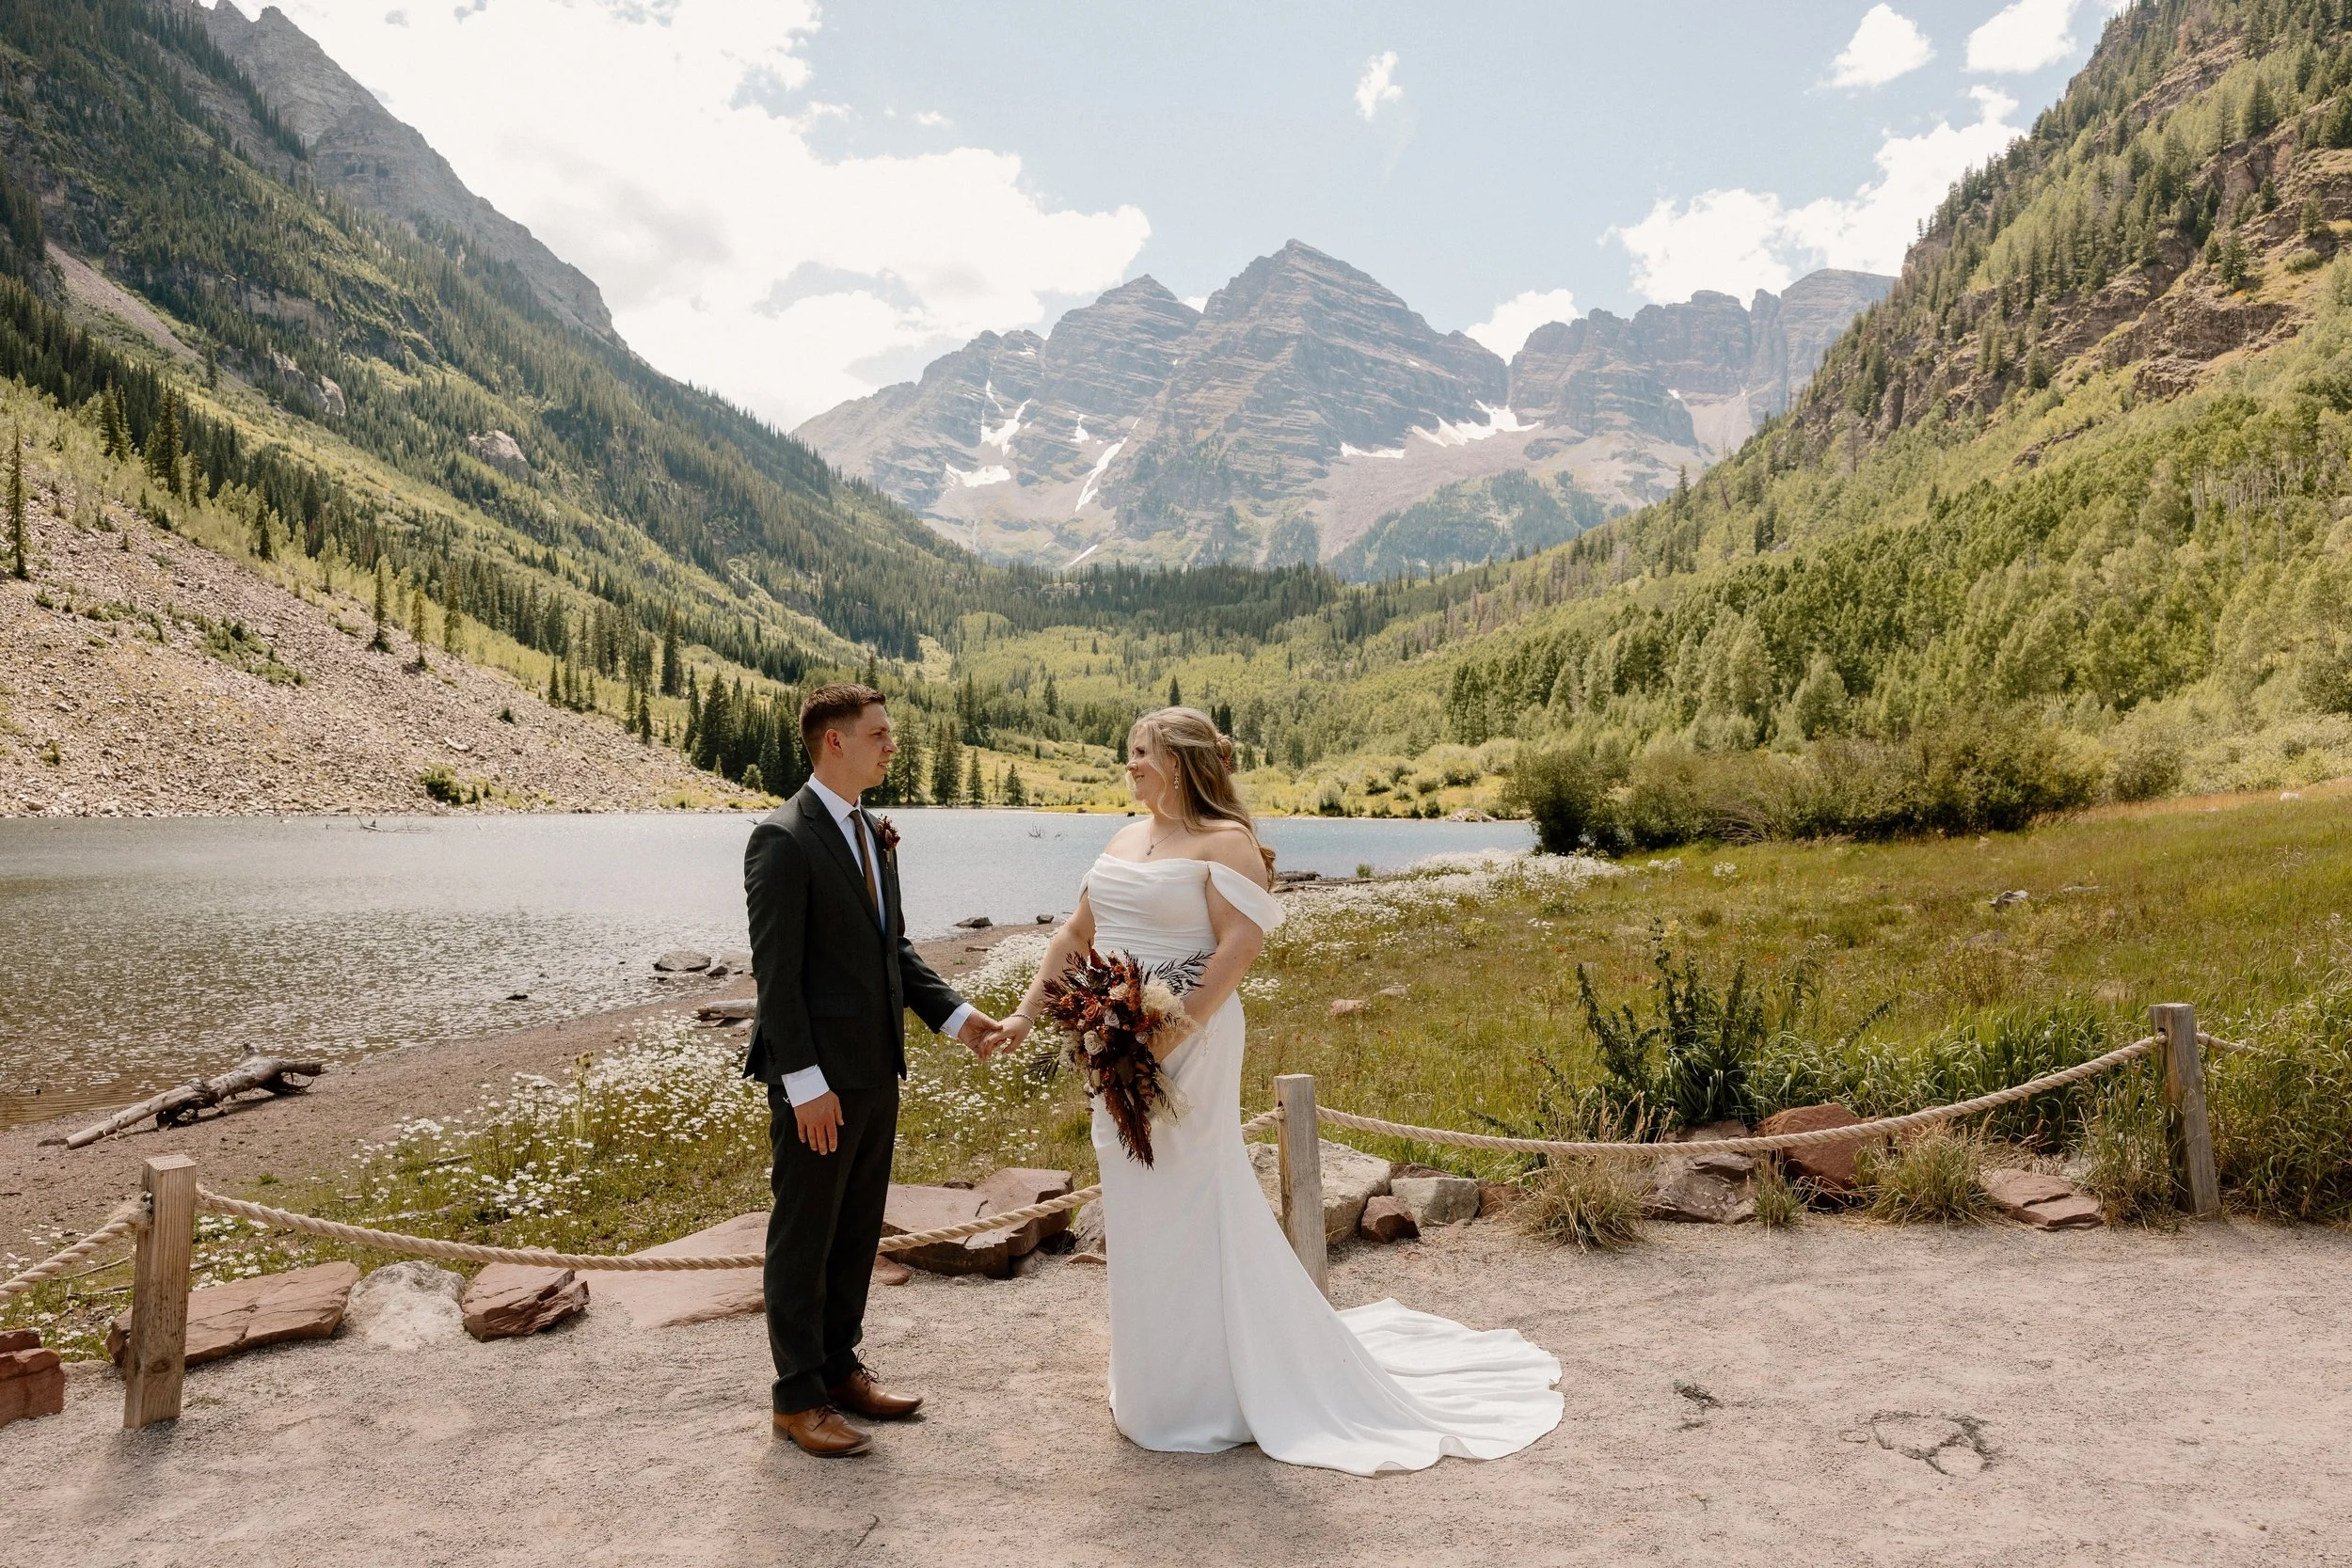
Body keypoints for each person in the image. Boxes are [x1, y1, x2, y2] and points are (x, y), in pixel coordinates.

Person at [988, 706, 1563, 1476]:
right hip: (1114, 1047)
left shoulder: (1225, 843)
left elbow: (1239, 946)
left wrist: (1166, 1032)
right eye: (1128, 752)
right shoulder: (1125, 837)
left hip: (1190, 1039)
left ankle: (1210, 1391)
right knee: (1138, 1200)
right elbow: (1072, 937)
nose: (1130, 765)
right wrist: (1029, 1013)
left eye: (1143, 753)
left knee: (1192, 1194)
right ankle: (1155, 1384)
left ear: (1185, 760)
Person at [743, 682, 1000, 1457]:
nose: (892, 744)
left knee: (855, 1233)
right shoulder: (782, 839)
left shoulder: (871, 832)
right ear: (835, 741)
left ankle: (838, 1368)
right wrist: (805, 1083)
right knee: (804, 1237)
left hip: (877, 1070)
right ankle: (795, 1400)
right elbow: (776, 978)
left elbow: (895, 949)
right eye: (880, 733)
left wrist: (958, 1019)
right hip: (819, 1083)